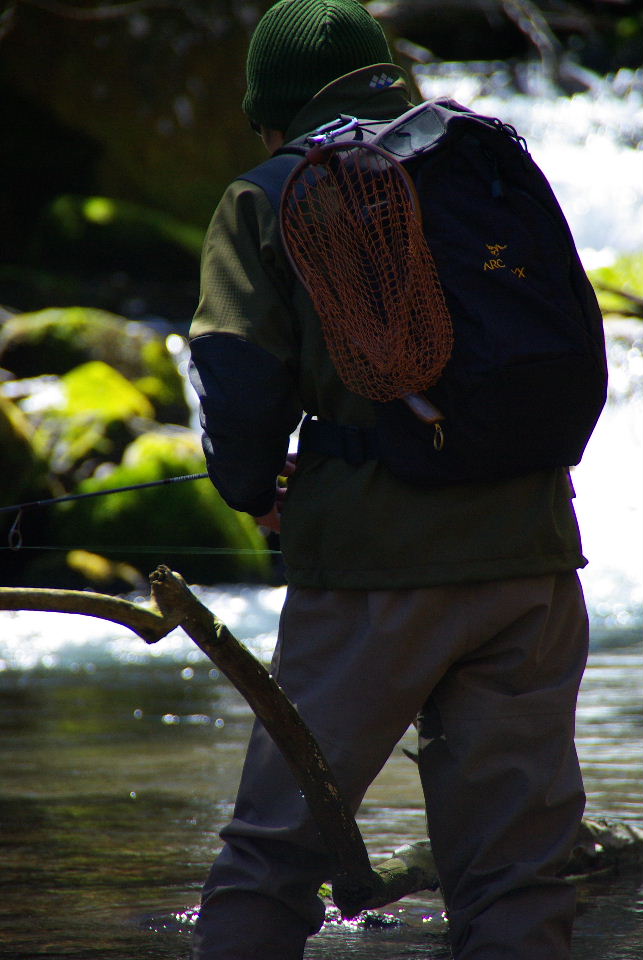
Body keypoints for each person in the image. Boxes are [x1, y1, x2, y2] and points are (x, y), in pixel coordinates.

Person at [188, 1, 591, 957]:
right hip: (531, 560)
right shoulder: (485, 161)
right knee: (516, 872)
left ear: (271, 114)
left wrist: (254, 492)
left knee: (273, 853)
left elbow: (237, 386)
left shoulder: (269, 192)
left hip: (373, 574)